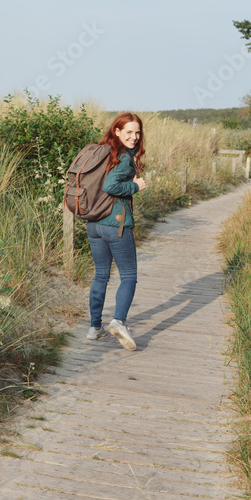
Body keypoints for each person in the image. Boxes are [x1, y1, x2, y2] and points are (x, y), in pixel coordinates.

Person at [85, 112, 147, 350]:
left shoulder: (102, 154)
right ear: (117, 132)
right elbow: (111, 186)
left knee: (101, 275)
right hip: (116, 224)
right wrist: (135, 185)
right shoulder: (122, 158)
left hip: (94, 223)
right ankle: (119, 322)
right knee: (129, 276)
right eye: (128, 132)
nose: (134, 137)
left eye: (137, 132)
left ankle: (94, 328)